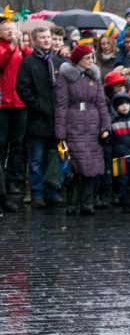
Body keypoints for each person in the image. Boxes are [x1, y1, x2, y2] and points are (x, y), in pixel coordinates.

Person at [55, 44, 110, 216]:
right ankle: (72, 203)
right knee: (75, 164)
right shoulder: (66, 76)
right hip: (74, 123)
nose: (91, 61)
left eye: (92, 57)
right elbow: (61, 104)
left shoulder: (94, 74)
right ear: (79, 59)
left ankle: (87, 203)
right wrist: (61, 131)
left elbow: (101, 102)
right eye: (87, 58)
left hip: (92, 123)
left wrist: (105, 125)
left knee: (91, 164)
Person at [15, 26, 66, 209]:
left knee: (54, 158)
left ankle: (51, 191)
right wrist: (38, 105)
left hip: (56, 119)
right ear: (34, 40)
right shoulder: (28, 63)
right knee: (36, 159)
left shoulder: (59, 62)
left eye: (48, 37)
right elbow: (22, 88)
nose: (46, 40)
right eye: (42, 37)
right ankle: (36, 193)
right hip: (37, 118)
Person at [0, 19, 30, 196]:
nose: (10, 31)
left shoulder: (20, 48)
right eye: (6, 29)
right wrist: (12, 47)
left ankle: (13, 180)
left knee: (18, 144)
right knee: (2, 144)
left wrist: (22, 45)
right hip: (3, 104)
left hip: (20, 103)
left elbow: (32, 61)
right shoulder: (4, 48)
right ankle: (2, 182)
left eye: (13, 28)